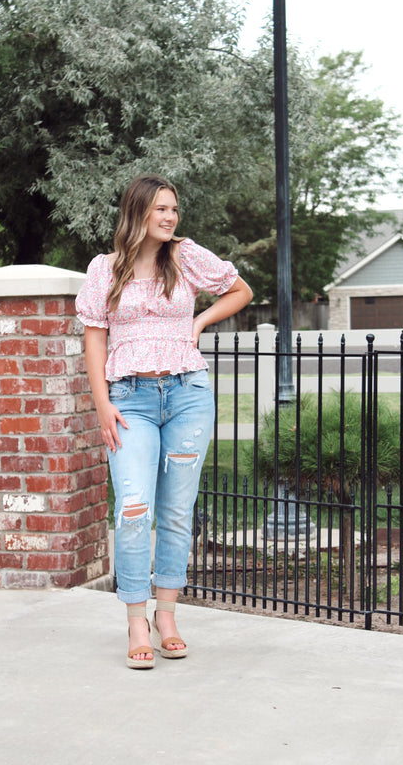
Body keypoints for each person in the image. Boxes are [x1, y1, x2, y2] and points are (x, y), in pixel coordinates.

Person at [76, 174, 253, 668]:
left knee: (176, 511)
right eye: (160, 209)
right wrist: (101, 403)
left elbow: (240, 290)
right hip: (129, 399)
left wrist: (197, 322)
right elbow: (94, 339)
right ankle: (136, 618)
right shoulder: (104, 270)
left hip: (187, 396)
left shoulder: (186, 256)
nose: (170, 217)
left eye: (173, 208)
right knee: (134, 508)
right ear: (137, 212)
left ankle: (167, 614)